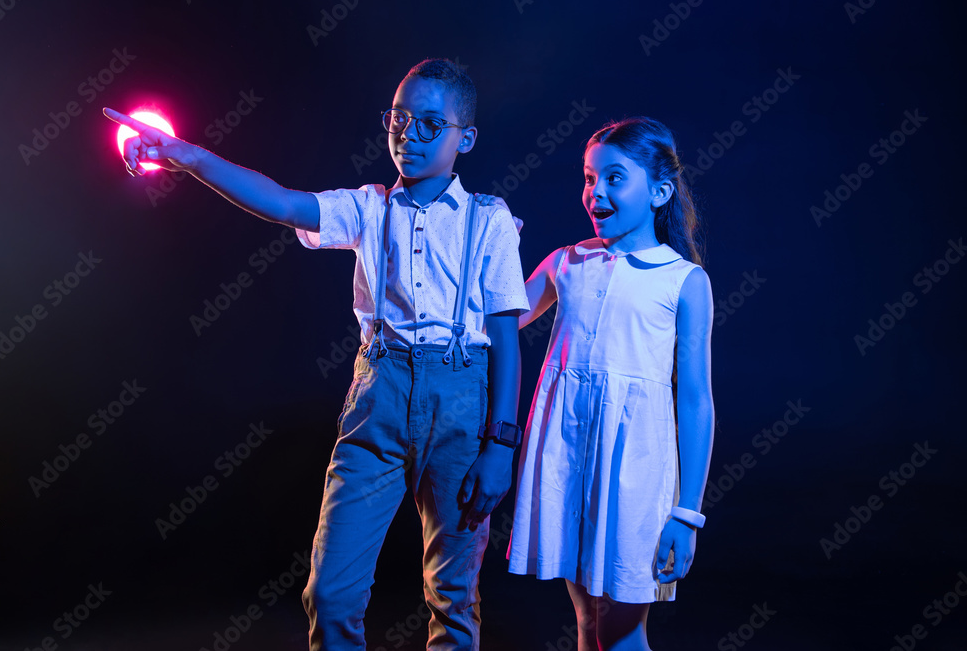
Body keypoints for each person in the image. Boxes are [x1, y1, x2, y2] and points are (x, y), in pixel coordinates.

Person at [103, 58, 529, 651]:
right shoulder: (368, 206)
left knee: (453, 596)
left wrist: (501, 445)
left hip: (461, 403)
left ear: (467, 138)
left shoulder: (490, 221)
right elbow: (282, 203)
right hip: (379, 395)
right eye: (399, 120)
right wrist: (186, 154)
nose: (409, 135)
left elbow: (505, 335)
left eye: (431, 124)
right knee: (330, 594)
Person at [505, 117, 715, 650]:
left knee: (621, 632)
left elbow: (694, 401)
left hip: (635, 474)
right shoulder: (566, 262)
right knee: (588, 623)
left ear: (660, 191)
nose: (595, 191)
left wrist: (686, 513)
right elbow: (496, 319)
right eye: (589, 177)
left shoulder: (683, 281)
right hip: (568, 460)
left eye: (614, 178)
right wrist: (495, 249)